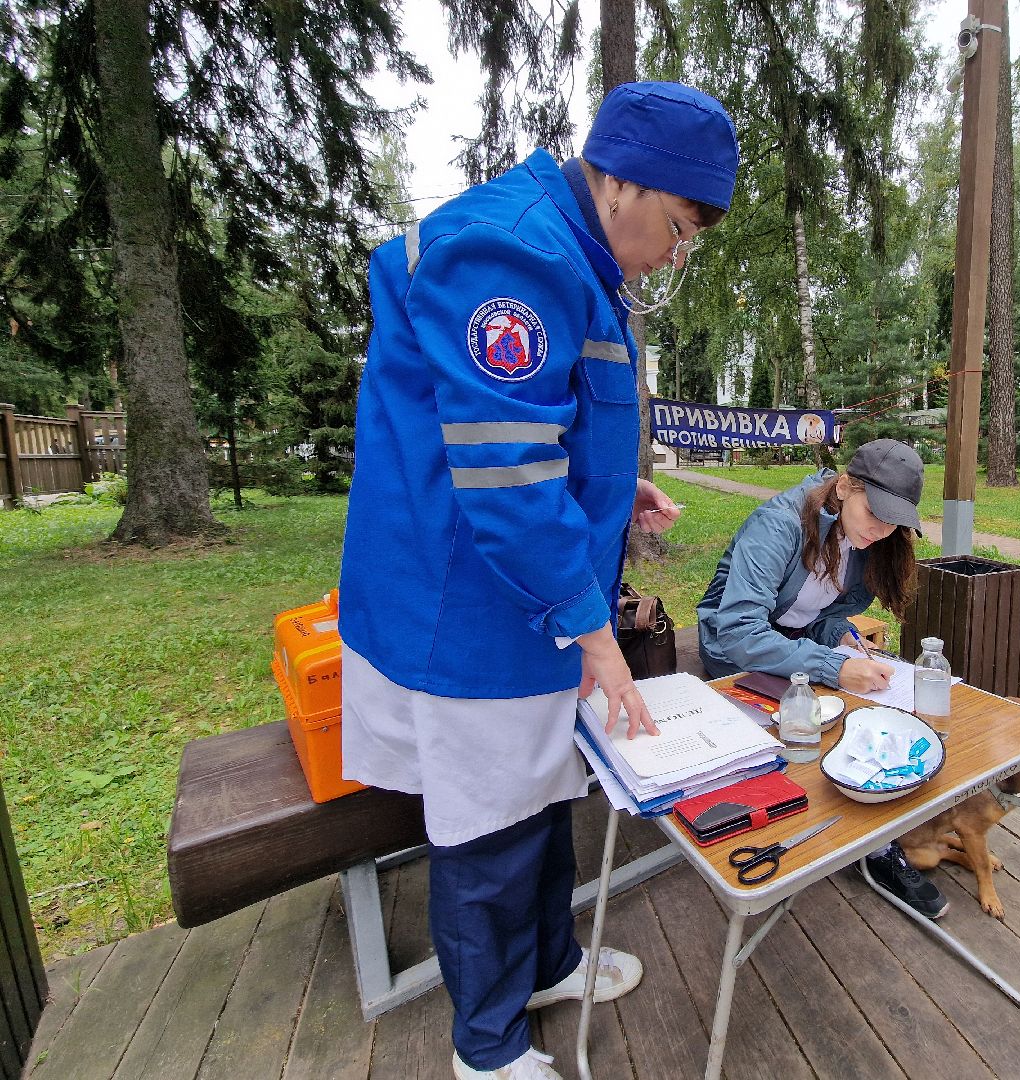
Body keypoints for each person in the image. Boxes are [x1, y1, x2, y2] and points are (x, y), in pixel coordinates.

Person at [337, 82, 739, 1080]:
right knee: (487, 825)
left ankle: (550, 962)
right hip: (469, 607)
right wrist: (594, 632)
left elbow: (542, 426)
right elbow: (509, 478)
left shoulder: (578, 256)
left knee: (549, 791)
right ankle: (487, 1047)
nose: (678, 254)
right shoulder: (514, 253)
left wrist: (616, 491)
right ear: (626, 188)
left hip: (525, 601)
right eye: (682, 229)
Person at [695, 438, 952, 919]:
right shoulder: (779, 524)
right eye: (876, 513)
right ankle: (851, 842)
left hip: (797, 643)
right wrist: (833, 664)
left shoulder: (865, 535)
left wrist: (841, 636)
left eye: (896, 519)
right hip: (738, 654)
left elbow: (818, 607)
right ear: (845, 485)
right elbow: (736, 631)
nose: (883, 529)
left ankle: (872, 842)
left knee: (868, 716)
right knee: (808, 723)